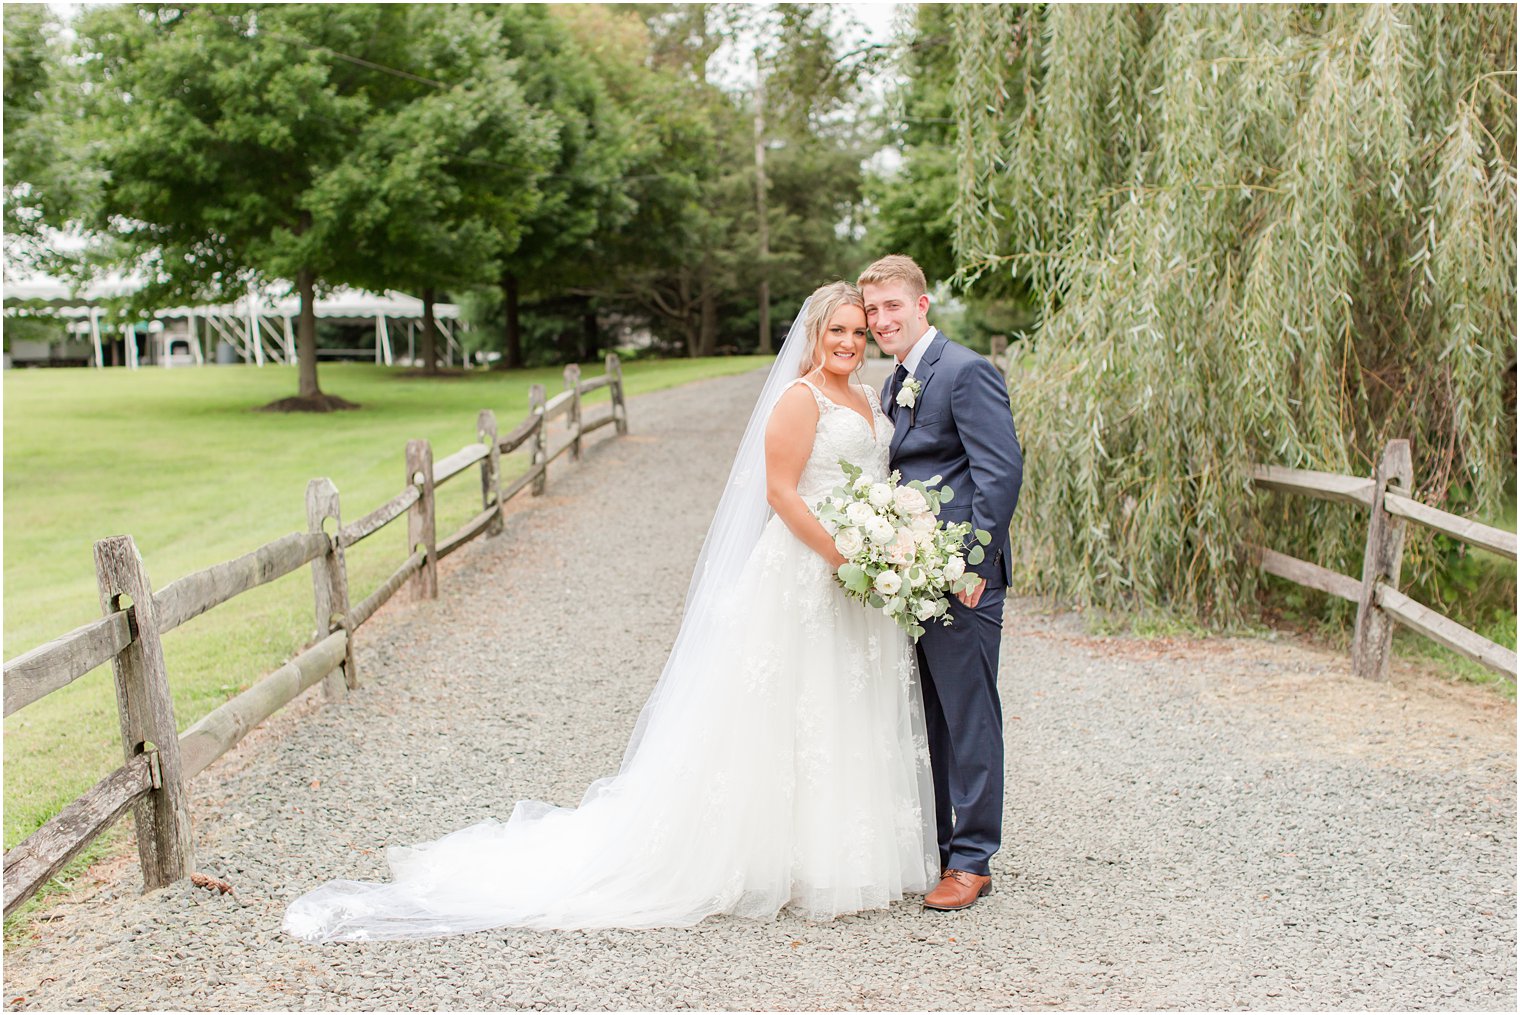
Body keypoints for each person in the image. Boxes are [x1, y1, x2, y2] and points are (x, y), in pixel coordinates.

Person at [283, 281, 937, 941]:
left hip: (858, 572)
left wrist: (879, 552)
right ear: (815, 335)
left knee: (838, 704)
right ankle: (771, 859)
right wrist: (841, 555)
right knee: (788, 703)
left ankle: (839, 852)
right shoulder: (800, 400)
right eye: (839, 332)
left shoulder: (868, 395)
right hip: (808, 566)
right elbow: (781, 492)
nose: (851, 342)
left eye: (859, 332)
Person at [859, 254, 1022, 912]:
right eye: (871, 311)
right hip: (913, 576)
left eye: (892, 306)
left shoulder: (964, 371)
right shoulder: (894, 381)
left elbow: (1000, 474)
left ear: (921, 304)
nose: (880, 320)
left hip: (960, 579)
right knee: (931, 716)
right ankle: (943, 843)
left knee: (969, 715)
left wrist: (975, 569)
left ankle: (974, 858)